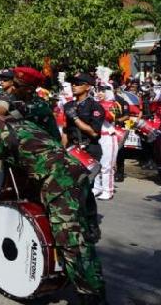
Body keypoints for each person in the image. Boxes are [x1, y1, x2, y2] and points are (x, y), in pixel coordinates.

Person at [0, 105, 106, 304]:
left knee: (71, 244)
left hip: (59, 183)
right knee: (86, 234)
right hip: (77, 173)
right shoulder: (17, 122)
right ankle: (93, 284)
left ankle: (91, 297)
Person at [62, 72, 103, 240]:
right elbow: (66, 130)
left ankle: (92, 226)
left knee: (85, 188)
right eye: (72, 83)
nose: (74, 86)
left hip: (89, 149)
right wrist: (60, 149)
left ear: (88, 86)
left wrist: (76, 118)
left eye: (78, 83)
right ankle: (75, 223)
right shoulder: (68, 105)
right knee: (71, 189)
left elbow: (94, 132)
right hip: (72, 150)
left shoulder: (95, 107)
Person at [2, 67, 61, 140]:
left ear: (29, 90)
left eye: (17, 85)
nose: (13, 87)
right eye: (13, 84)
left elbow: (6, 119)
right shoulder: (22, 102)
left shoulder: (35, 107)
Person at [94, 86, 120, 200]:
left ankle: (108, 190)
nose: (99, 93)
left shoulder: (114, 104)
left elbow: (111, 118)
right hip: (96, 137)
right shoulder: (94, 103)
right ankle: (97, 187)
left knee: (106, 166)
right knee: (95, 164)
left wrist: (98, 107)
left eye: (103, 91)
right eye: (98, 91)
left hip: (108, 137)